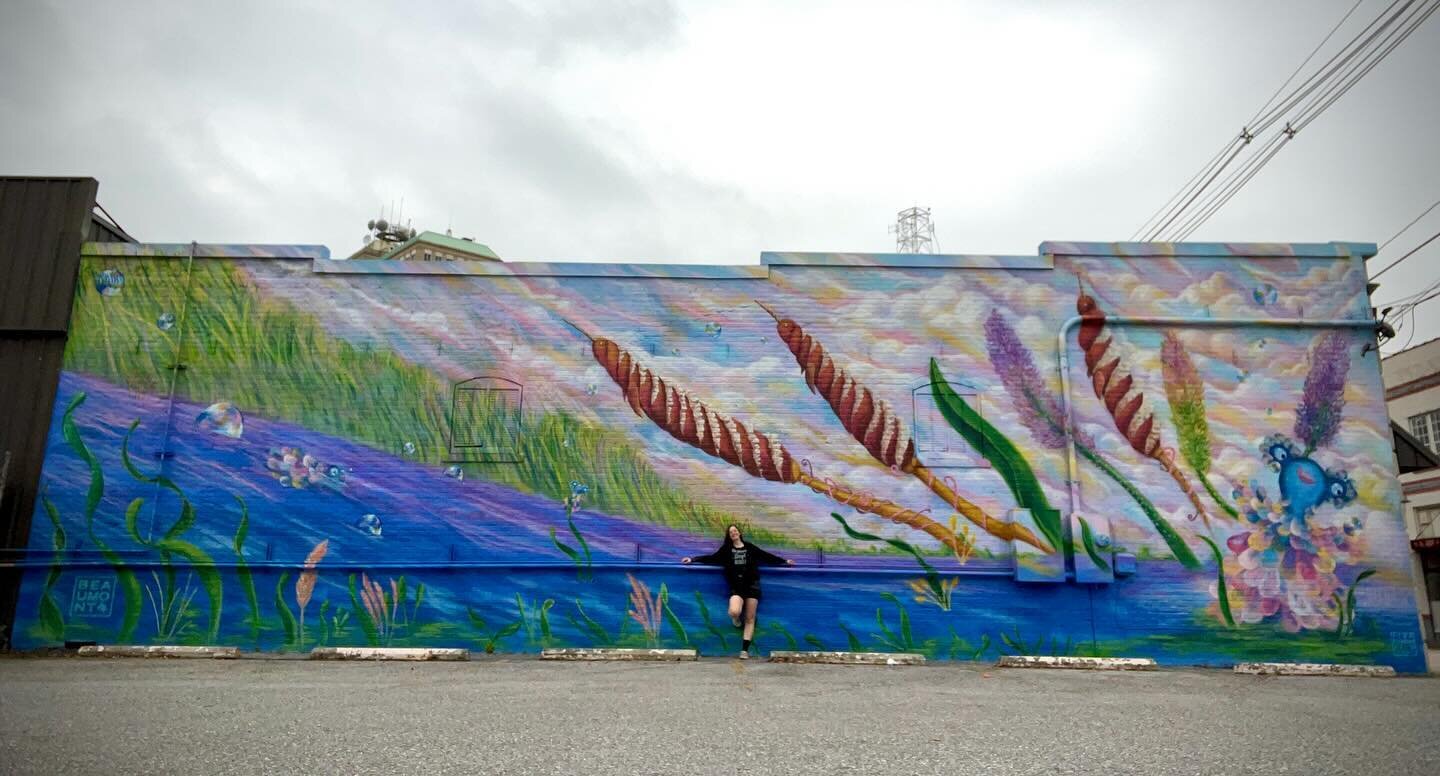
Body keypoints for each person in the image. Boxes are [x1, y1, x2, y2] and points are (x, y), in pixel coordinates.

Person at [682, 524, 793, 659]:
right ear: (729, 536)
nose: (734, 533)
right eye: (731, 532)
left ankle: (744, 650)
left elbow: (766, 556)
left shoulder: (750, 547)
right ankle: (736, 620)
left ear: (739, 533)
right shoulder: (727, 550)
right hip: (737, 587)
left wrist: (784, 561)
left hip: (752, 586)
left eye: (735, 530)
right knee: (734, 611)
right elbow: (711, 558)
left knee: (750, 618)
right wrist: (693, 559)